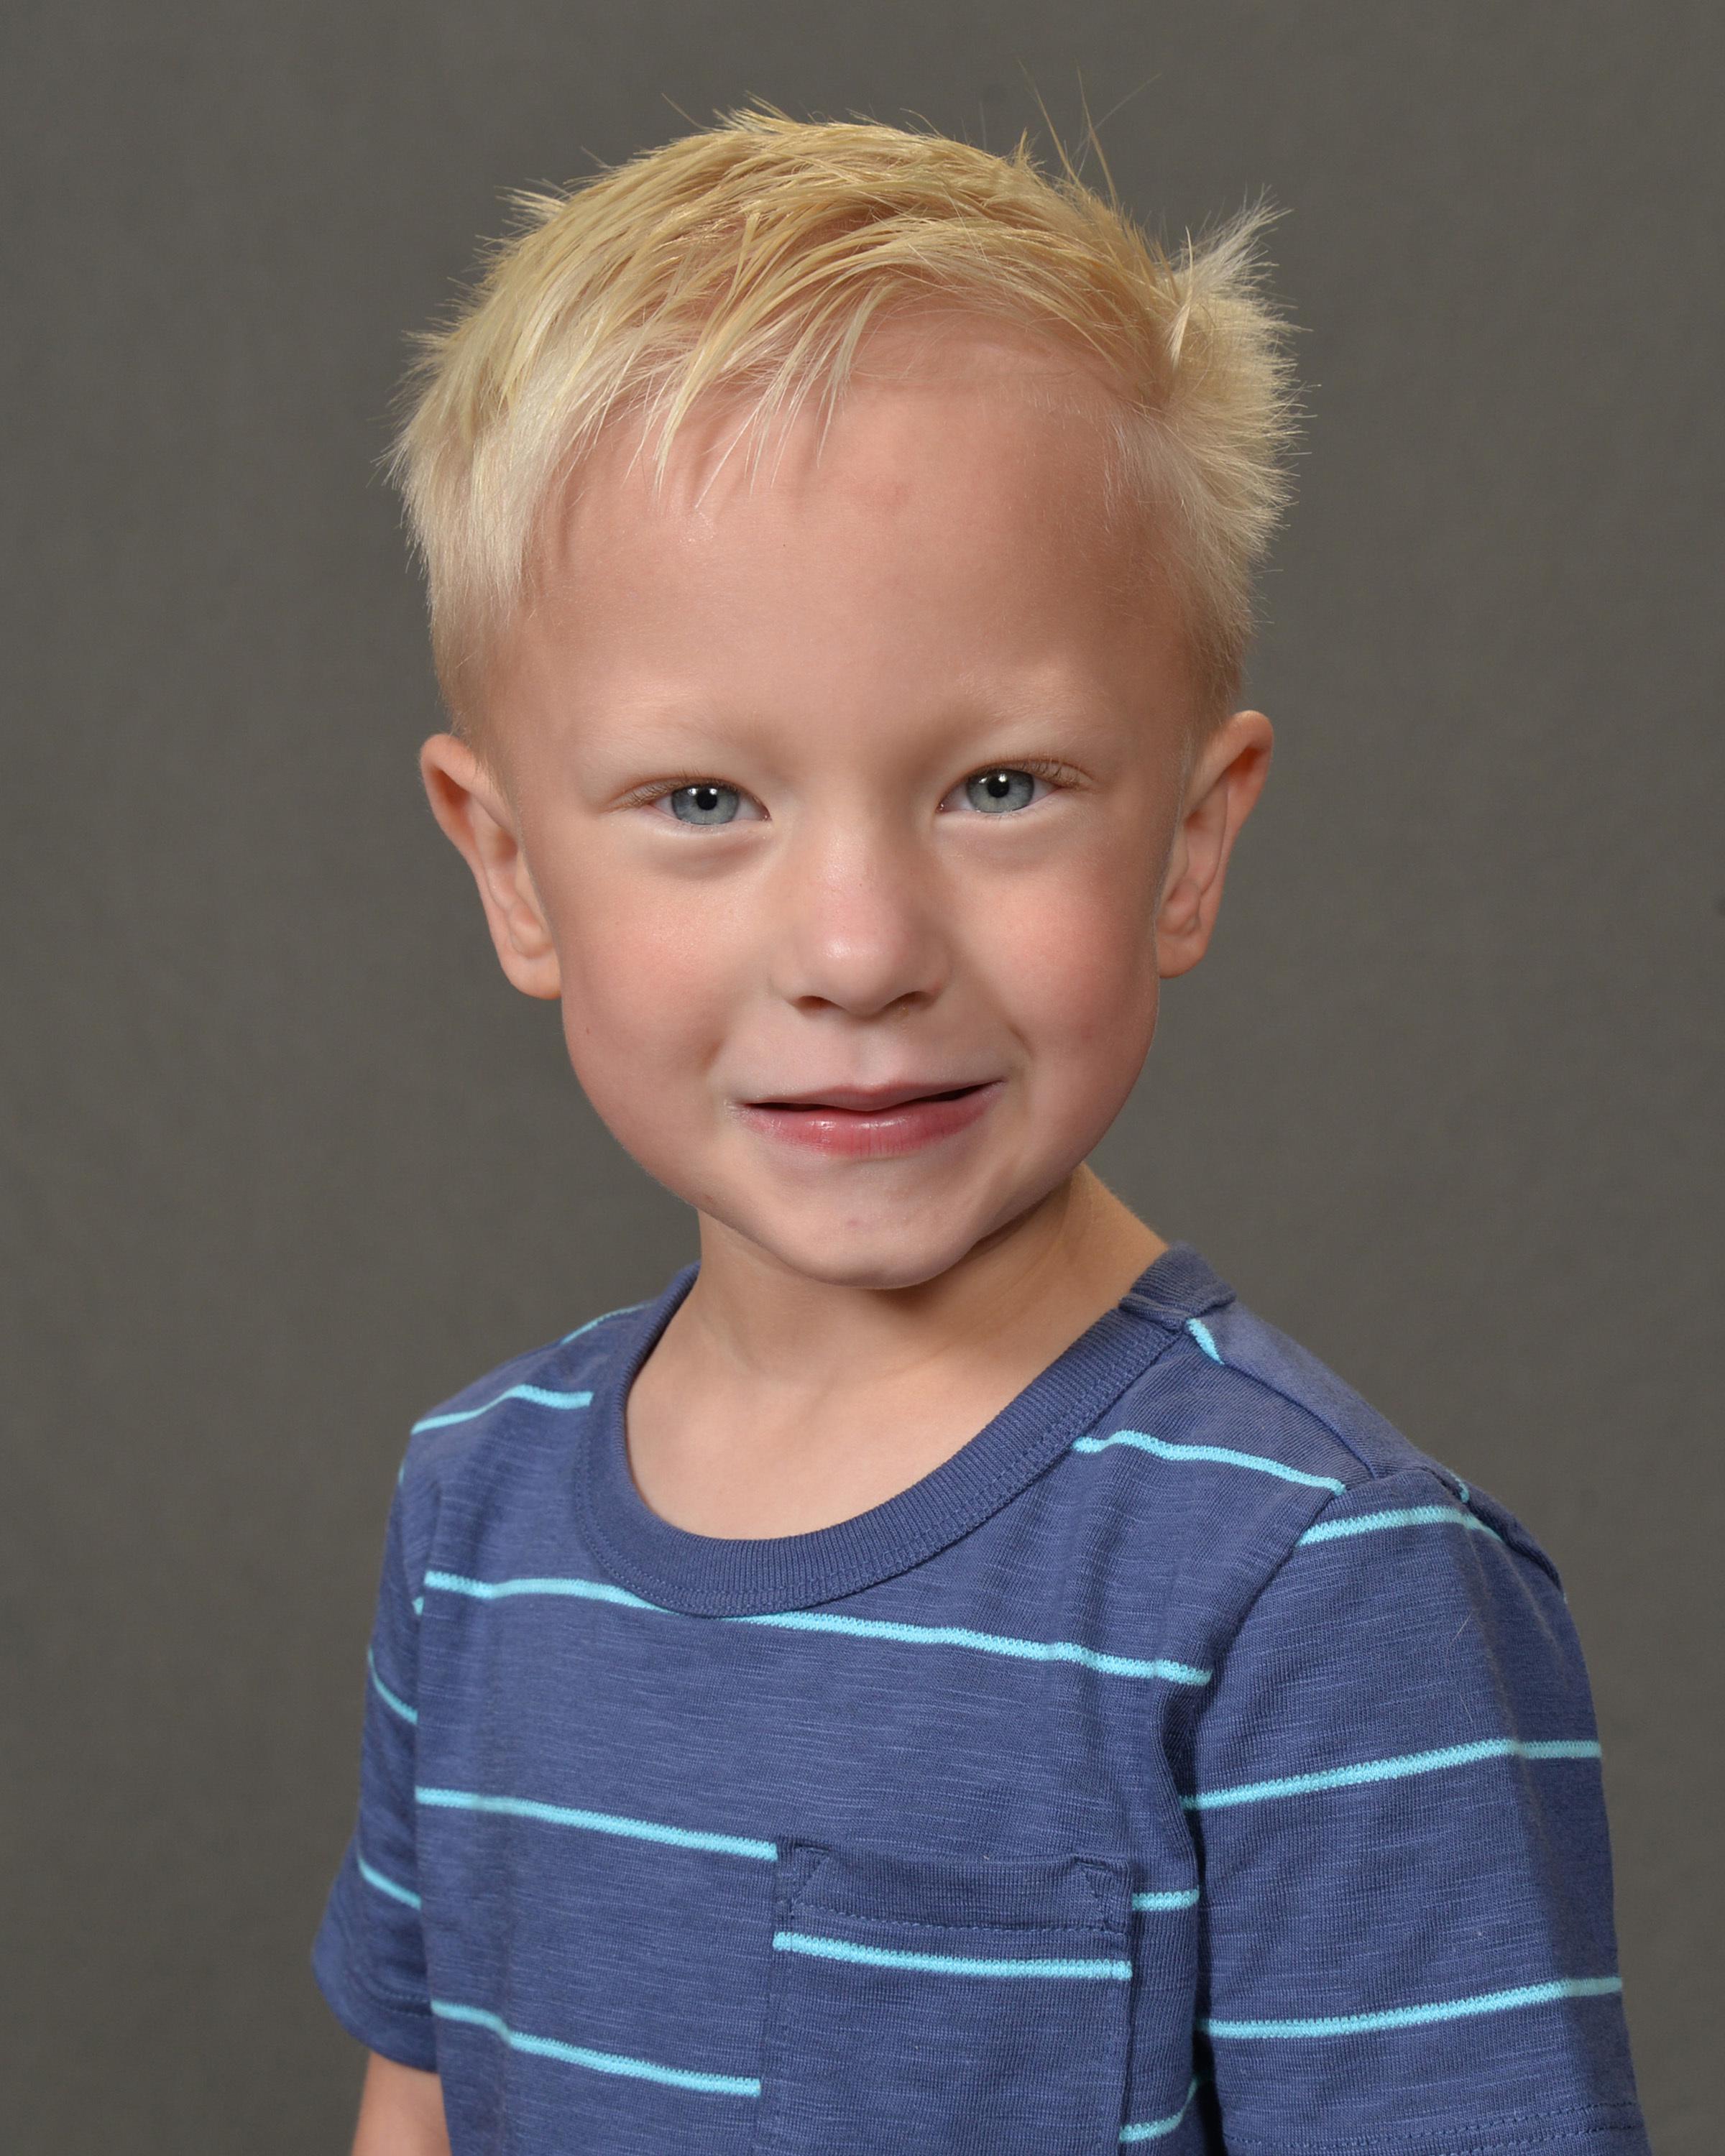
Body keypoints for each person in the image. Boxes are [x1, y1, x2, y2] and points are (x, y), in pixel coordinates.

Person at [313, 111, 1648, 2156]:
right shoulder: (475, 1515)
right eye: (703, 802)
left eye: (1000, 787)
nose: (859, 950)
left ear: (1189, 841)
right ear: (509, 870)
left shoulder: (1321, 1591)